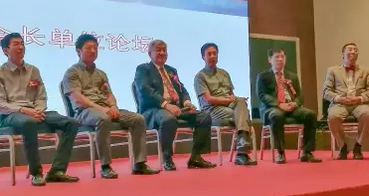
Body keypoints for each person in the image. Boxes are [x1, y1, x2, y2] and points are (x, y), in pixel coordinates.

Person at [0, 33, 81, 186]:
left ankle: (57, 171)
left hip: (35, 112)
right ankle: (36, 173)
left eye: (22, 43)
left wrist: (38, 110)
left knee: (71, 123)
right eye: (16, 44)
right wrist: (24, 110)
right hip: (11, 114)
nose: (21, 47)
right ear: (5, 50)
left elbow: (41, 96)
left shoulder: (33, 71)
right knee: (29, 122)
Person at [63, 34, 159, 179]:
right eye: (89, 48)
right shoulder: (72, 73)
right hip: (85, 112)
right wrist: (102, 109)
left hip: (106, 109)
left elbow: (109, 94)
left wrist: (113, 106)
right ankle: (105, 166)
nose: (93, 51)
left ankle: (139, 164)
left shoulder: (101, 74)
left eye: (95, 48)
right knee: (103, 118)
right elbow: (78, 99)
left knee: (138, 119)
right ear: (78, 51)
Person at [133, 39, 216, 171]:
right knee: (169, 119)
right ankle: (167, 158)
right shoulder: (143, 69)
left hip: (177, 108)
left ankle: (196, 157)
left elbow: (181, 89)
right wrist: (166, 104)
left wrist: (187, 101)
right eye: (158, 50)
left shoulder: (171, 70)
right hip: (154, 109)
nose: (162, 53)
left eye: (164, 50)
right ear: (150, 54)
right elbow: (145, 90)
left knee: (204, 117)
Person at [194, 42, 256, 166]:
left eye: (215, 53)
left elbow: (231, 94)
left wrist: (235, 99)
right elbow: (209, 100)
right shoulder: (200, 77)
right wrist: (229, 100)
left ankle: (241, 149)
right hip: (212, 110)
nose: (212, 56)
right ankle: (242, 152)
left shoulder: (224, 73)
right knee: (242, 115)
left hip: (229, 106)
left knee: (241, 103)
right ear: (203, 57)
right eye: (209, 54)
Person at [256, 48, 322, 164]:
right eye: (277, 57)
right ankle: (280, 153)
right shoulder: (263, 76)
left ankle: (307, 152)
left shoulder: (292, 76)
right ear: (270, 60)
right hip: (273, 108)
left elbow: (299, 95)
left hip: (291, 107)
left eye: (282, 57)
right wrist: (279, 104)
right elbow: (262, 95)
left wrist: (295, 103)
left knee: (310, 114)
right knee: (276, 115)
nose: (280, 59)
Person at [322, 42, 369, 160]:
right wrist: (339, 98)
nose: (353, 52)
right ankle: (342, 146)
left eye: (355, 50)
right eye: (350, 50)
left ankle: (358, 145)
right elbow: (326, 91)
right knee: (332, 117)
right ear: (343, 54)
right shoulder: (333, 70)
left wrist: (359, 98)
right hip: (340, 103)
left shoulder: (366, 71)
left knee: (368, 115)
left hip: (359, 103)